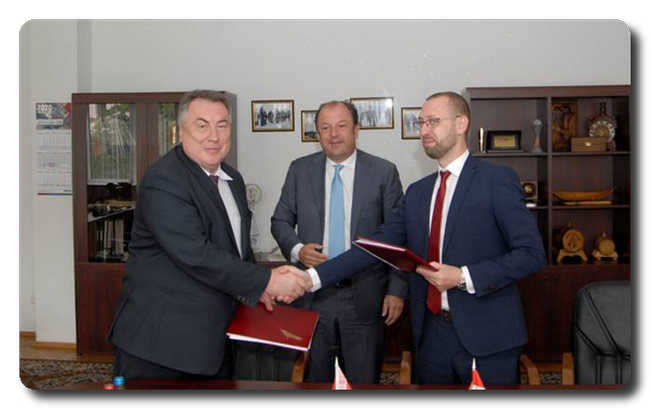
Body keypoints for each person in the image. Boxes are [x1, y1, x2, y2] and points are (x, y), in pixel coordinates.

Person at [298, 92, 546, 385]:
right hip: (431, 340)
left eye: (433, 122)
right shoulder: (417, 193)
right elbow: (372, 247)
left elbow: (531, 254)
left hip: (488, 339)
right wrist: (309, 279)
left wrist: (463, 276)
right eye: (421, 123)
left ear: (461, 123)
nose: (424, 130)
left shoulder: (496, 180)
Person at [108, 90, 310, 380]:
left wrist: (258, 287)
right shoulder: (164, 179)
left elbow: (234, 252)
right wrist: (267, 280)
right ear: (179, 132)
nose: (213, 136)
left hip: (214, 342)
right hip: (161, 347)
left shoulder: (233, 180)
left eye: (222, 125)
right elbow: (196, 254)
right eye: (202, 125)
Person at [271, 100, 408, 384]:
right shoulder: (300, 170)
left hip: (365, 296)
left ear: (356, 129)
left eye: (341, 126)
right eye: (325, 127)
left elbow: (398, 236)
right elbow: (280, 221)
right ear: (318, 133)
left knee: (362, 381)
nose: (333, 134)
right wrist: (297, 249)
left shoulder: (383, 172)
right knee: (317, 381)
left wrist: (397, 289)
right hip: (313, 297)